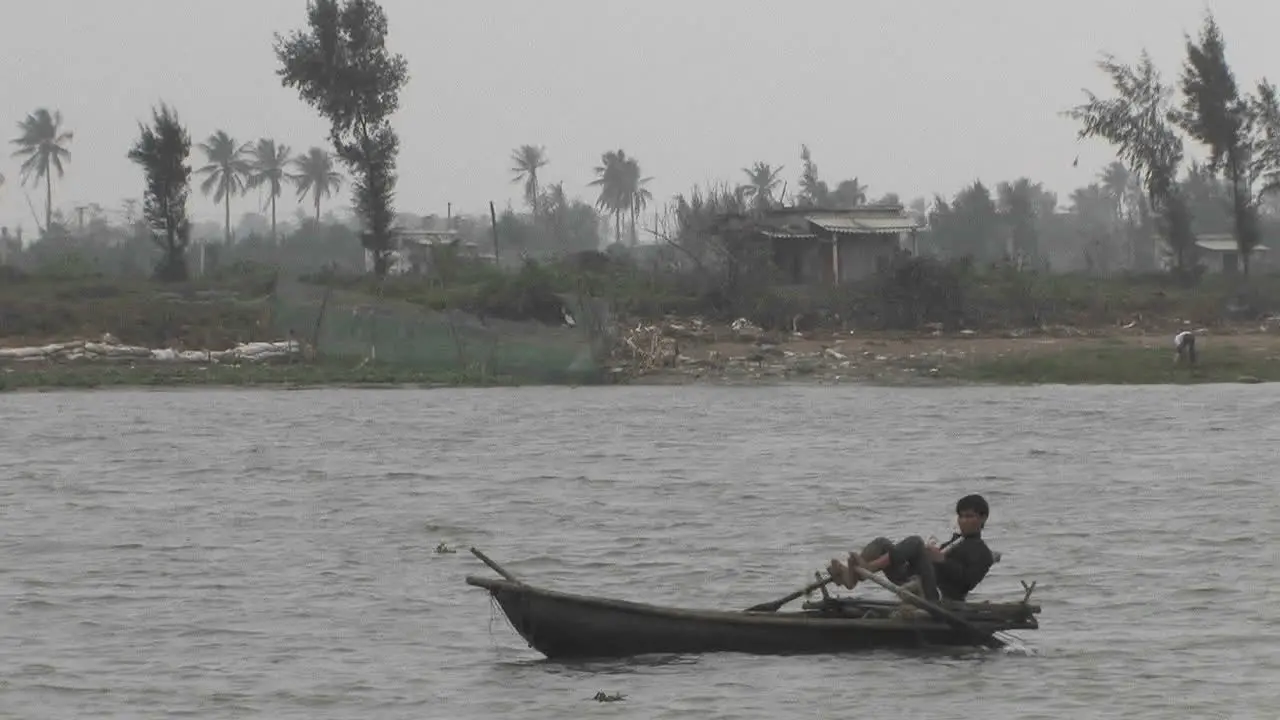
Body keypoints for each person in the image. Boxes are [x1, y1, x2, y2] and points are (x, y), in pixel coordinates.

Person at [827, 494, 995, 603]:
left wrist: (942, 560)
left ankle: (867, 569)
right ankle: (853, 577)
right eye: (961, 516)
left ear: (983, 518)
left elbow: (966, 583)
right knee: (882, 543)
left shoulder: (982, 552)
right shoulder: (957, 540)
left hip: (935, 596)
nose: (963, 521)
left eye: (969, 517)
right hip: (912, 579)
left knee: (915, 542)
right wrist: (932, 553)